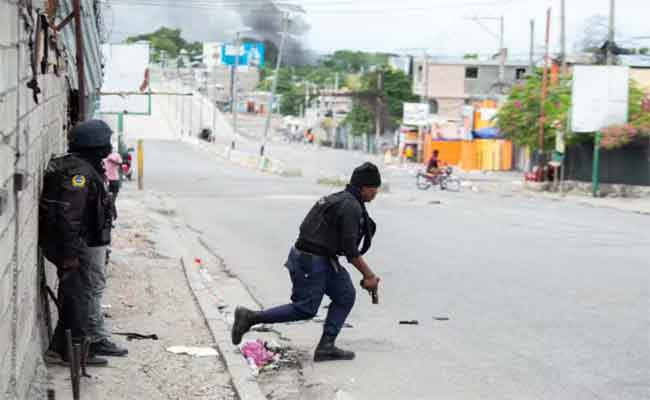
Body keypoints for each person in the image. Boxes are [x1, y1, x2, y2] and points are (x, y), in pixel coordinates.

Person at [231, 162, 382, 362]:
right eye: (374, 190)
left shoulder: (341, 199)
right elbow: (351, 252)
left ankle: (326, 347)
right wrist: (369, 275)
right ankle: (250, 317)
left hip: (322, 258)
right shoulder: (350, 206)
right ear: (364, 187)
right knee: (306, 308)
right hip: (311, 260)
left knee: (345, 295)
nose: (375, 194)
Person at [43, 120, 128, 366]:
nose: (108, 147)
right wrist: (70, 253)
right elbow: (69, 215)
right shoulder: (79, 173)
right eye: (104, 142)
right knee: (77, 298)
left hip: (81, 244)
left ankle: (64, 349)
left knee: (75, 296)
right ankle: (74, 352)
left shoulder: (86, 167)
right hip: (75, 247)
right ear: (94, 144)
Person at [103, 150, 122, 219]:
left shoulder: (116, 155)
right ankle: (111, 214)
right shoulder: (102, 156)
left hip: (114, 180)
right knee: (106, 199)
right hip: (105, 180)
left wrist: (111, 159)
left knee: (112, 199)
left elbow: (120, 162)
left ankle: (111, 214)